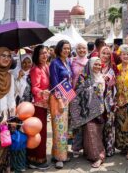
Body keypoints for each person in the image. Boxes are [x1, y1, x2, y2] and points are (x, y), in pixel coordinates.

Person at [73, 57, 106, 168]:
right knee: (90, 132)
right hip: (87, 110)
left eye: (99, 64)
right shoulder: (84, 77)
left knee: (96, 133)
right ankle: (94, 156)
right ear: (89, 65)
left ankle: (99, 156)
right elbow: (77, 91)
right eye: (95, 64)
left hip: (99, 110)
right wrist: (91, 89)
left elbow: (103, 93)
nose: (97, 66)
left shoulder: (102, 77)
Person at [49, 40, 73, 169]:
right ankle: (59, 158)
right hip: (57, 98)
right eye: (64, 48)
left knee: (64, 128)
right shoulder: (54, 63)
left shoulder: (68, 62)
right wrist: (59, 101)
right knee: (59, 128)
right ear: (59, 49)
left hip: (66, 96)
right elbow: (54, 83)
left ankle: (57, 153)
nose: (67, 51)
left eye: (68, 49)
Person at [27, 45, 50, 170]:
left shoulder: (46, 67)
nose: (45, 55)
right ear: (37, 55)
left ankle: (38, 157)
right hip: (37, 105)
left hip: (44, 104)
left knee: (42, 132)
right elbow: (34, 87)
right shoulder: (36, 69)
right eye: (42, 53)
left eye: (46, 53)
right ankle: (36, 159)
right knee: (38, 133)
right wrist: (41, 92)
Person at [70, 42, 88, 157]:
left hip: (87, 96)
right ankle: (76, 147)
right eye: (79, 48)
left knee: (87, 121)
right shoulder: (72, 62)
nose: (82, 50)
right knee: (76, 121)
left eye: (83, 48)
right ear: (76, 49)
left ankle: (87, 147)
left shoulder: (90, 62)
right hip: (74, 95)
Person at [99, 46, 118, 157]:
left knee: (109, 125)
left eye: (107, 54)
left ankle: (110, 148)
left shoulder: (113, 67)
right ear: (99, 54)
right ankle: (99, 149)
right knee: (98, 125)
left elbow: (116, 85)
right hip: (97, 100)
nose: (105, 56)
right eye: (103, 53)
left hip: (109, 100)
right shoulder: (94, 65)